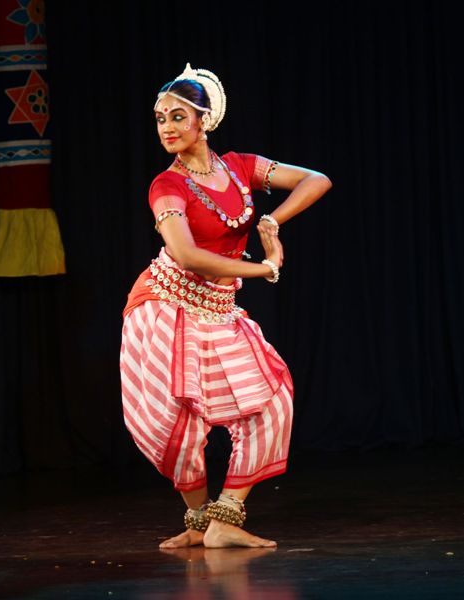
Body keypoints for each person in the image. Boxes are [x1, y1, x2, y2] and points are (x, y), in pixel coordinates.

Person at [119, 63, 332, 549]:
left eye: (178, 117)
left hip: (217, 307)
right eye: (160, 119)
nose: (167, 127)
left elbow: (315, 180)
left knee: (271, 402)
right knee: (178, 418)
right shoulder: (167, 186)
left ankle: (225, 517)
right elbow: (186, 255)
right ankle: (199, 521)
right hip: (166, 305)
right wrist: (265, 268)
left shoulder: (240, 167)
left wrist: (271, 222)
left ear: (205, 120)